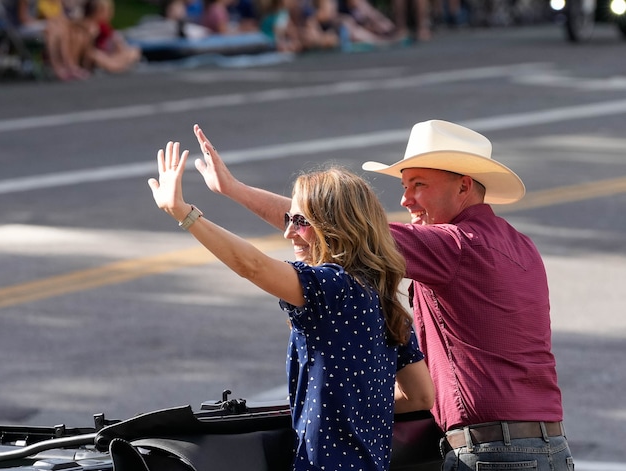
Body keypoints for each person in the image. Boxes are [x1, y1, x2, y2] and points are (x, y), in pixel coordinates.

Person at [190, 120, 573, 470]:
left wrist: (233, 191)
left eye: (419, 184)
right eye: (404, 186)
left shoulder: (453, 245)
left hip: (493, 454)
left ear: (464, 186)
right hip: (550, 448)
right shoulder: (521, 245)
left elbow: (339, 228)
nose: (406, 200)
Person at [148, 125, 435, 471]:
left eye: (300, 222)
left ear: (336, 227)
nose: (287, 232)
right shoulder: (384, 299)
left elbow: (251, 265)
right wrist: (353, 404)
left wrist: (185, 213)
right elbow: (420, 396)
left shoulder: (331, 287)